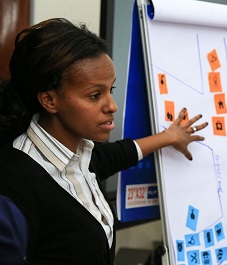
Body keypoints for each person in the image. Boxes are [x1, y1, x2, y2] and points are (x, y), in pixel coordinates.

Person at [0, 18, 208, 265]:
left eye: (111, 90)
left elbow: (122, 153)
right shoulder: (13, 185)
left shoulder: (82, 154)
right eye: (95, 95)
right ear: (49, 100)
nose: (112, 106)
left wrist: (169, 137)